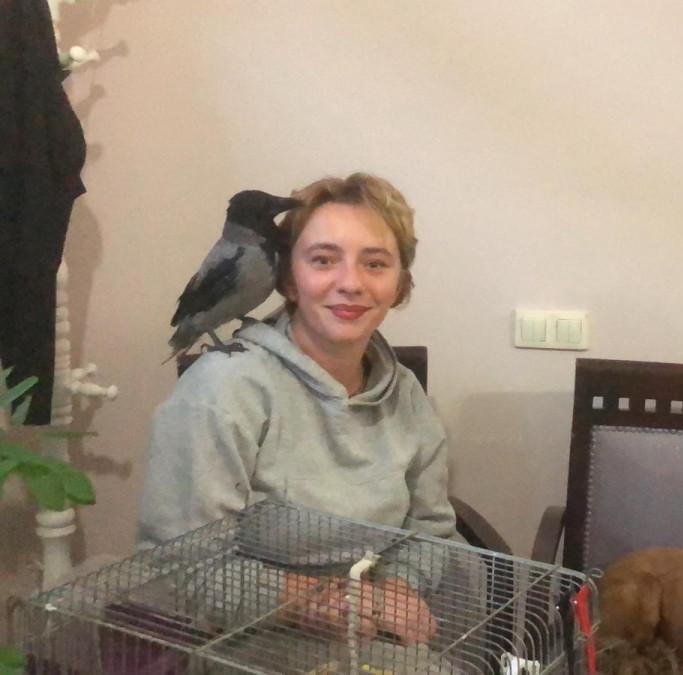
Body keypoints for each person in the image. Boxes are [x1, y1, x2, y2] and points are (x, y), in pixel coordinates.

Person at [138, 172, 455, 645]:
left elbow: (431, 528)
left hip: (379, 631)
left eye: (375, 264)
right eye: (323, 260)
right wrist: (309, 600)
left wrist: (396, 592)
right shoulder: (219, 393)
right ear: (287, 279)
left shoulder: (406, 394)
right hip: (248, 642)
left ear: (400, 286)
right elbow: (176, 567)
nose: (350, 283)